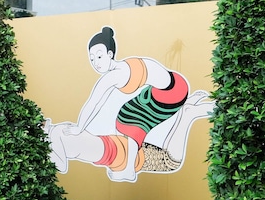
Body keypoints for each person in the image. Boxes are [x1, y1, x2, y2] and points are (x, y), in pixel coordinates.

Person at [45, 26, 214, 182]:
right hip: (172, 90)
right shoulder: (123, 67)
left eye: (99, 56)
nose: (96, 62)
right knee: (126, 117)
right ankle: (187, 110)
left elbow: (93, 104)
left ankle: (128, 170)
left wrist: (79, 128)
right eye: (92, 59)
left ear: (110, 54)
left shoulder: (115, 75)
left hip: (170, 94)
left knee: (128, 117)